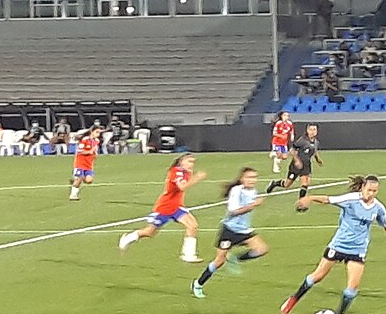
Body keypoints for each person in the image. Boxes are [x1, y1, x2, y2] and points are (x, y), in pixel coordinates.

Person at [280, 175, 386, 314]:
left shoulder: (378, 208)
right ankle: (293, 300)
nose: (371, 194)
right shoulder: (351, 199)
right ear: (362, 188)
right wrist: (310, 198)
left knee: (351, 290)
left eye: (374, 191)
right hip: (338, 246)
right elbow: (328, 199)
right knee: (316, 277)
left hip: (358, 250)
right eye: (369, 190)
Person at [191, 167, 268, 299]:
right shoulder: (236, 191)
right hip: (229, 230)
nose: (252, 180)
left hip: (244, 230)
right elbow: (234, 211)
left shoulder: (254, 192)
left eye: (254, 177)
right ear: (242, 179)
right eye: (249, 177)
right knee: (219, 261)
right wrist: (253, 205)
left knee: (262, 249)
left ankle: (235, 259)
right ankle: (198, 284)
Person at [118, 154, 207, 262]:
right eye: (189, 161)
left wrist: (193, 178)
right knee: (150, 232)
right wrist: (196, 178)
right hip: (165, 207)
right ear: (181, 162)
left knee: (192, 225)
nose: (191, 164)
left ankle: (188, 255)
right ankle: (129, 237)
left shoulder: (187, 173)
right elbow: (182, 187)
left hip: (177, 206)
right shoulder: (176, 171)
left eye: (193, 162)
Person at [266, 124, 323, 205]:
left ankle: (301, 202)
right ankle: (274, 183)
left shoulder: (316, 142)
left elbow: (314, 151)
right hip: (296, 165)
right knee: (287, 184)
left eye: (314, 130)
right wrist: (297, 160)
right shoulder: (302, 140)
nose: (312, 131)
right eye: (311, 129)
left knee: (305, 183)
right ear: (307, 130)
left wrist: (318, 160)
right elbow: (292, 149)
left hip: (306, 165)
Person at [68, 124, 102, 200]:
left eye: (99, 133)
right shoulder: (85, 139)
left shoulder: (96, 141)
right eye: (97, 132)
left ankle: (75, 180)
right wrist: (90, 151)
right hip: (80, 163)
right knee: (79, 179)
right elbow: (80, 151)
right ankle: (73, 195)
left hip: (89, 164)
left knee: (89, 181)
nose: (98, 134)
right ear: (92, 132)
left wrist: (95, 155)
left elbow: (94, 151)